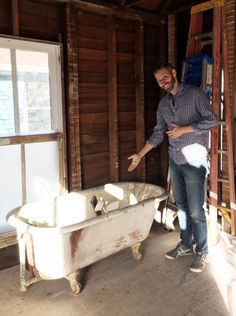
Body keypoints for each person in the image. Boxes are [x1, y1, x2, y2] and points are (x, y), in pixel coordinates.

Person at [127, 62, 217, 273]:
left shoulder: (194, 94)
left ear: (174, 73)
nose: (163, 81)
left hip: (194, 160)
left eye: (165, 77)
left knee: (196, 209)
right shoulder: (164, 105)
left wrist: (184, 129)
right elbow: (159, 133)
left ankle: (202, 251)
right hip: (176, 160)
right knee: (183, 206)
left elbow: (212, 120)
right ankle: (186, 244)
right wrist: (140, 154)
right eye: (159, 80)